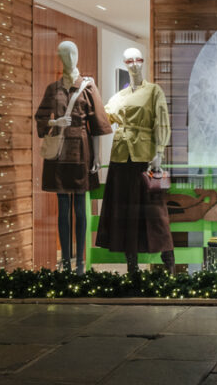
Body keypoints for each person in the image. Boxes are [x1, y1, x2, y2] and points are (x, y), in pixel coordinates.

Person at [95, 47, 174, 274]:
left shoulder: (154, 91)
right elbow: (103, 118)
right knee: (124, 211)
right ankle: (132, 265)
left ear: (143, 61)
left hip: (145, 157)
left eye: (138, 59)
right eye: (129, 61)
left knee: (155, 211)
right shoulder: (119, 96)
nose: (134, 64)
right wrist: (90, 91)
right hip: (121, 158)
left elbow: (161, 121)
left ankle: (168, 260)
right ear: (125, 64)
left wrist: (159, 152)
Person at [34, 40, 109, 274]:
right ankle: (66, 261)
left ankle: (81, 262)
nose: (69, 58)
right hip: (59, 152)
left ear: (78, 55)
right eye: (64, 54)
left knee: (80, 207)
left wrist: (97, 156)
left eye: (72, 53)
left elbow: (97, 124)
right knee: (63, 206)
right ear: (59, 57)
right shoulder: (53, 88)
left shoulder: (88, 87)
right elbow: (40, 118)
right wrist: (55, 122)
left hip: (81, 151)